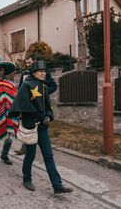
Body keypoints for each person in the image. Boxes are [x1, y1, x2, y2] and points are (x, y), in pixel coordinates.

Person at [9, 60, 73, 194]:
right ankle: (27, 179)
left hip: (42, 127)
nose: (44, 74)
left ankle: (57, 185)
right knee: (30, 155)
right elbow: (25, 106)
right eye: (41, 71)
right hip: (31, 126)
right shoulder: (26, 85)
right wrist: (39, 117)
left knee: (48, 156)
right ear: (33, 72)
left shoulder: (43, 87)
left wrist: (48, 116)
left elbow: (47, 106)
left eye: (45, 71)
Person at [15, 54, 57, 155]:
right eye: (27, 63)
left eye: (30, 63)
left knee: (40, 125)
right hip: (27, 105)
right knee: (27, 126)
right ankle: (25, 147)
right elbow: (20, 88)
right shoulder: (24, 73)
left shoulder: (43, 73)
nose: (28, 64)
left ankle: (36, 147)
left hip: (39, 105)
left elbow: (53, 86)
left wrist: (42, 94)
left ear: (35, 62)